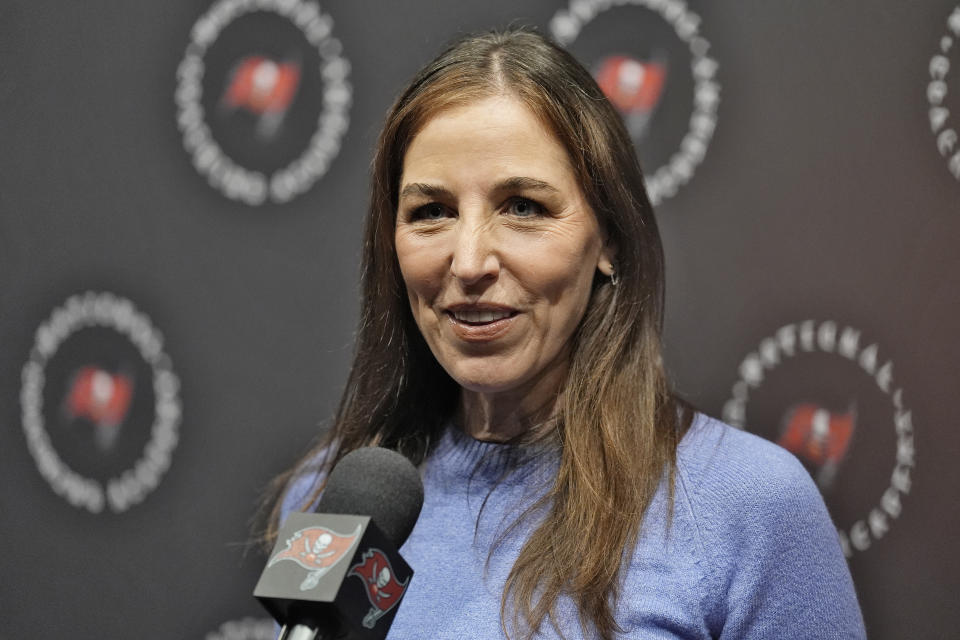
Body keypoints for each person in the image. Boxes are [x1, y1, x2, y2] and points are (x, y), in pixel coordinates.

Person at [264, 28, 866, 639]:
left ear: (606, 238)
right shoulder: (335, 504)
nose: (469, 262)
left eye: (523, 207)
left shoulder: (751, 505)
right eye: (432, 212)